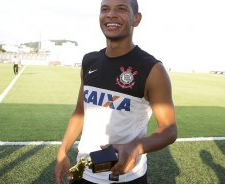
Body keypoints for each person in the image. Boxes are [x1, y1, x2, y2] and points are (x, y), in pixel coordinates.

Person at [55, 0, 177, 183]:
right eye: (105, 9)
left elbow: (169, 130)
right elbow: (81, 111)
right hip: (83, 170)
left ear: (136, 19)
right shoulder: (89, 61)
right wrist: (63, 150)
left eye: (121, 9)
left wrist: (136, 146)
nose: (110, 14)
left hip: (125, 176)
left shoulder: (152, 69)